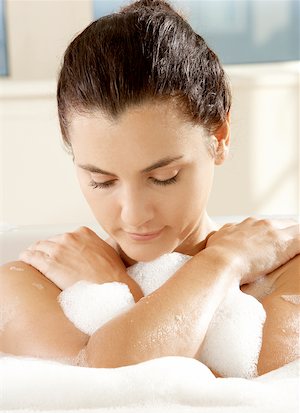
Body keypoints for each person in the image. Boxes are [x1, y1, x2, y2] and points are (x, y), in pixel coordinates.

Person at [0, 0, 299, 376]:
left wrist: (119, 292)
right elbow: (100, 390)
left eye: (163, 177)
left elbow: (254, 408)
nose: (134, 214)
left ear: (219, 137)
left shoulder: (287, 273)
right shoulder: (28, 285)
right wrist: (220, 263)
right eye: (102, 181)